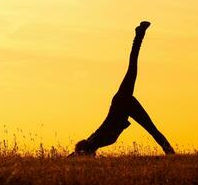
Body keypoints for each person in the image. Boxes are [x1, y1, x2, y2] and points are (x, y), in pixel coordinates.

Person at [70, 21, 175, 157]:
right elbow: (76, 153)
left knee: (132, 68)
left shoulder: (96, 139)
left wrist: (74, 156)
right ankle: (170, 153)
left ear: (87, 151)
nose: (93, 157)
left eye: (89, 155)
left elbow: (78, 153)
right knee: (152, 128)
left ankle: (139, 34)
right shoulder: (94, 140)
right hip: (127, 106)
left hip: (121, 101)